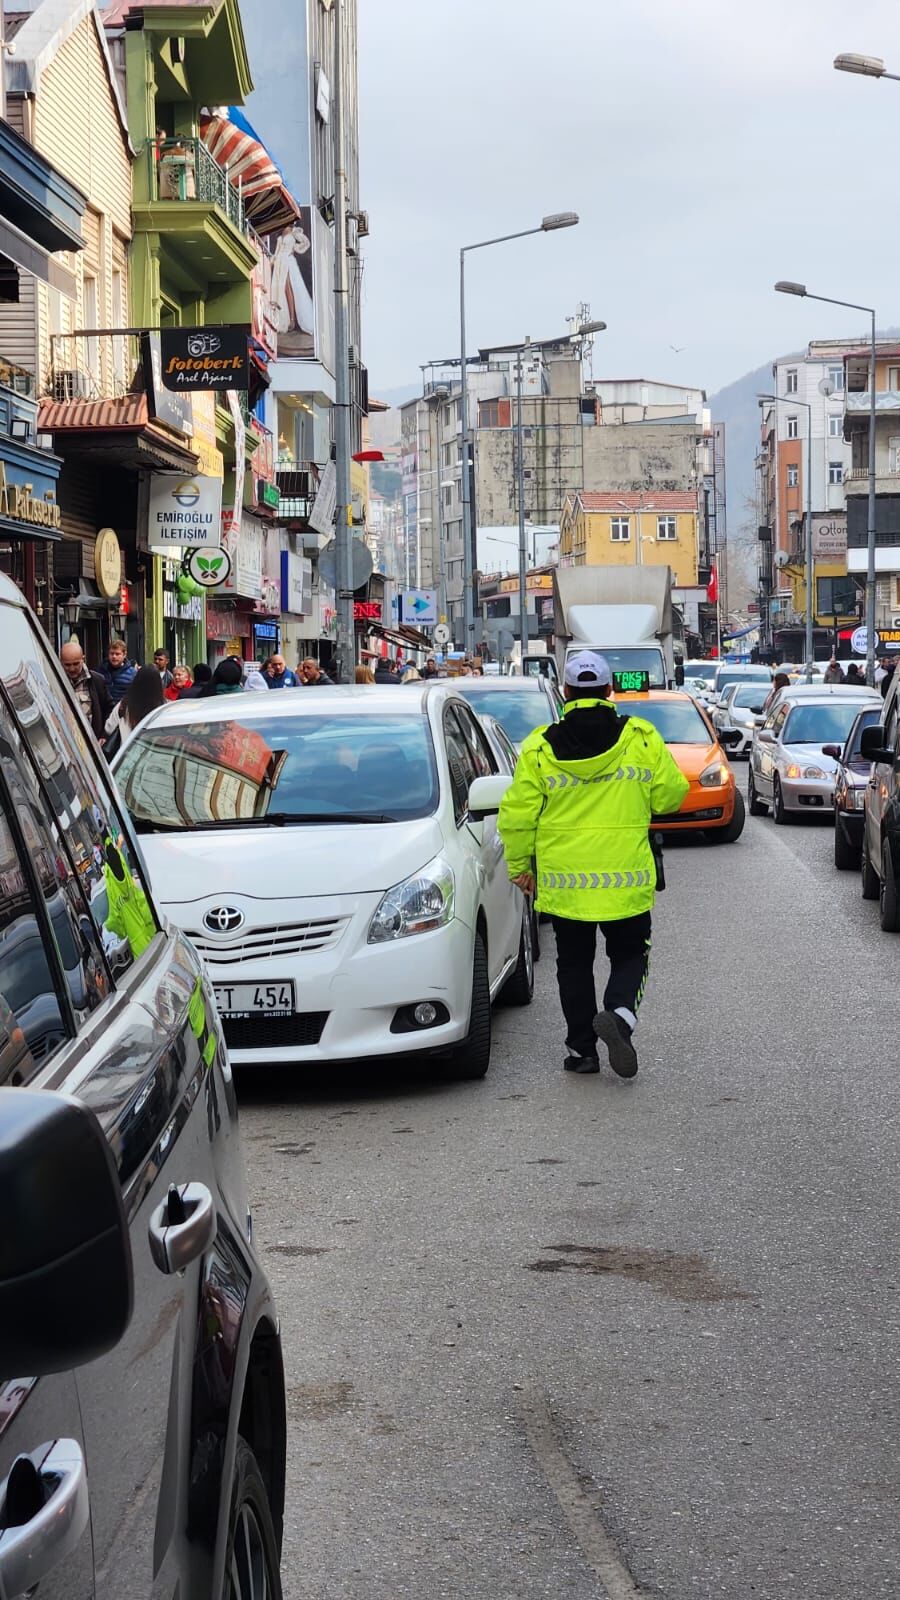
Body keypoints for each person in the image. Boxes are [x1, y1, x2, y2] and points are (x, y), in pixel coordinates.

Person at [497, 650, 688, 1078]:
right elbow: (671, 796)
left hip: (566, 885)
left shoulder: (539, 746)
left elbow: (516, 815)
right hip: (626, 879)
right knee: (631, 956)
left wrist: (519, 867)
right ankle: (619, 1015)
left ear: (566, 692)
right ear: (608, 691)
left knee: (574, 965)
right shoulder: (641, 737)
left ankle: (582, 1052)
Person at [104, 664, 165, 756]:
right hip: (156, 757)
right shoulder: (164, 708)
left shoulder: (124, 705)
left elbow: (108, 728)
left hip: (127, 758)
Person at [60, 638, 113, 741]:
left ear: (83, 659)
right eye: (67, 665)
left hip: (92, 743)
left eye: (76, 664)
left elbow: (109, 709)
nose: (72, 669)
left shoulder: (97, 680)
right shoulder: (53, 681)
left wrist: (104, 735)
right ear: (61, 661)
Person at [99, 638, 136, 705]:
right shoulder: (100, 671)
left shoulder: (133, 674)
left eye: (117, 654)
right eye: (112, 653)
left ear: (124, 655)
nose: (114, 656)